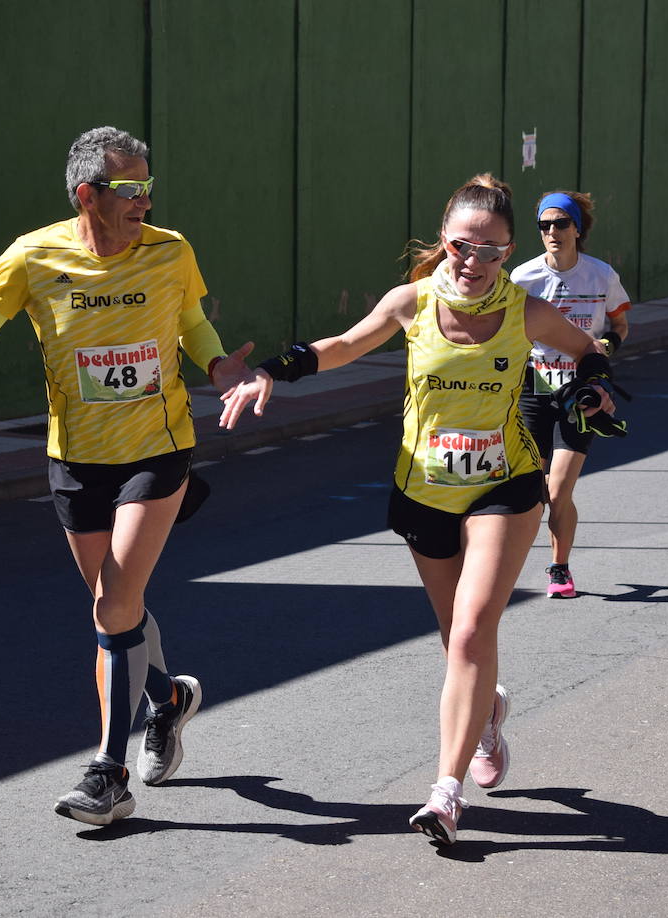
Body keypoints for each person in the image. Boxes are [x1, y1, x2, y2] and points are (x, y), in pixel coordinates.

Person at [218, 174, 618, 845]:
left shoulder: (524, 312)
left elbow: (589, 352)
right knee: (454, 635)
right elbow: (341, 346)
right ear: (443, 241)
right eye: (463, 245)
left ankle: (445, 792)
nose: (474, 261)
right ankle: (488, 713)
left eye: (491, 251)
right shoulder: (411, 302)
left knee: (469, 633)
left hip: (506, 484)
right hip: (424, 489)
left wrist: (593, 389)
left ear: (508, 251)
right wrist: (272, 373)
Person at [0, 126, 255, 826]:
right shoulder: (34, 255)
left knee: (111, 605)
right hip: (76, 460)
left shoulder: (170, 251)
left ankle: (108, 772)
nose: (145, 199)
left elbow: (193, 326)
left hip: (156, 451)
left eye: (149, 186)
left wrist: (220, 365)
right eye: (131, 188)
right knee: (122, 606)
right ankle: (168, 698)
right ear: (88, 194)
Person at [510, 191, 631, 599]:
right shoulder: (522, 278)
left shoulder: (601, 275)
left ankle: (559, 568)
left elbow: (620, 324)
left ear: (577, 228)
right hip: (531, 389)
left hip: (580, 392)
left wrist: (606, 348)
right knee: (535, 492)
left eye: (560, 224)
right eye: (544, 226)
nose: (552, 232)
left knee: (559, 490)